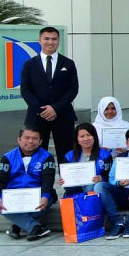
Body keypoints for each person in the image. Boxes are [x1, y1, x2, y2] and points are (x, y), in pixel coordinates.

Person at [19, 26, 78, 158]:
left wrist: (55, 108)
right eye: (46, 39)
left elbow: (73, 89)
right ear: (39, 40)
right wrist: (42, 111)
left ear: (58, 41)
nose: (50, 42)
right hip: (37, 117)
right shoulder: (29, 65)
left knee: (67, 153)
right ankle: (38, 179)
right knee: (36, 154)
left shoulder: (68, 64)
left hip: (63, 115)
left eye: (54, 39)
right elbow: (25, 90)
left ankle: (66, 179)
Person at [0, 126, 56, 241]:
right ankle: (35, 227)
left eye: (34, 138)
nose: (30, 141)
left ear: (40, 141)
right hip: (14, 196)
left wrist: (45, 196)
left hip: (38, 195)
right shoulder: (7, 157)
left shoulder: (47, 157)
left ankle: (17, 226)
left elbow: (48, 179)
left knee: (45, 201)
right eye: (26, 138)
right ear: (19, 139)